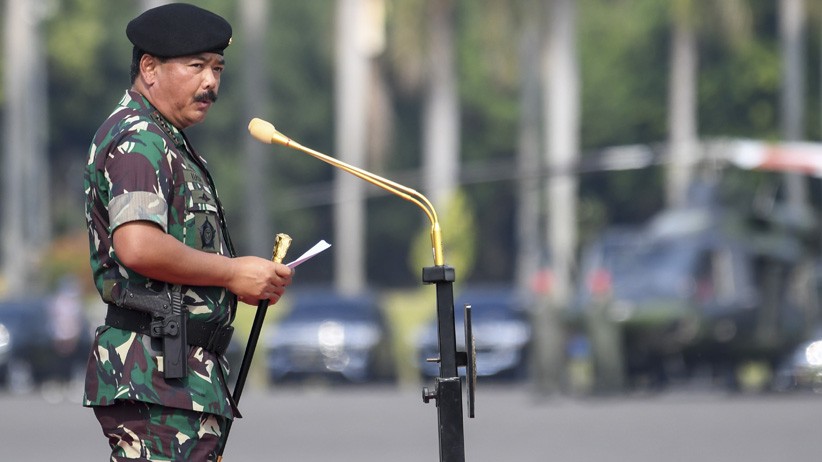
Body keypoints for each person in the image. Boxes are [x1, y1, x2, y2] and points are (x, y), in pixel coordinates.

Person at [83, 4, 293, 461]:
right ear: (150, 68)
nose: (211, 82)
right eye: (196, 66)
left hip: (179, 378)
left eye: (217, 68)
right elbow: (137, 245)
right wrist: (232, 273)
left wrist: (245, 280)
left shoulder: (167, 140)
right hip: (153, 376)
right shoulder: (139, 139)